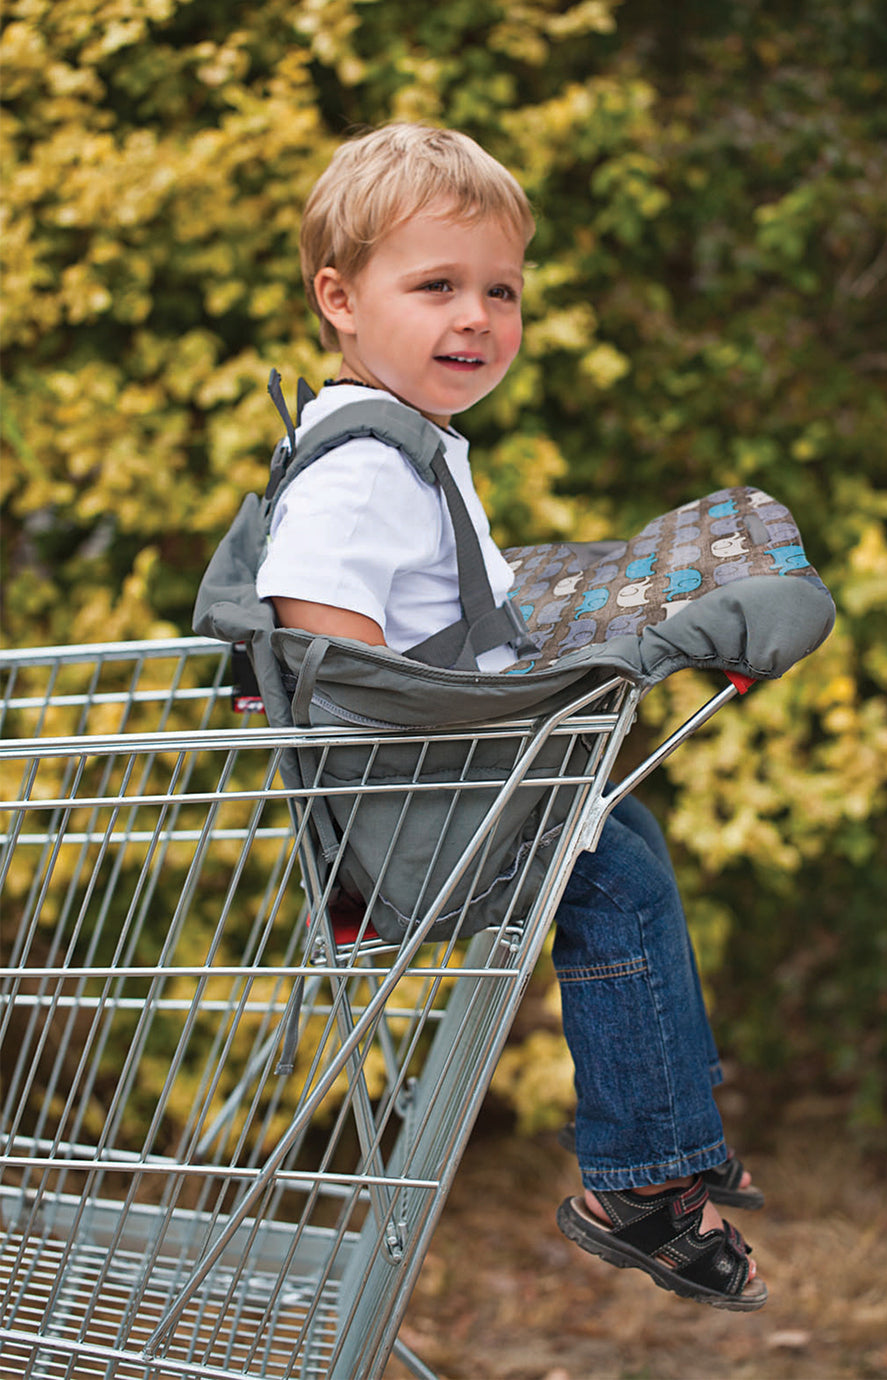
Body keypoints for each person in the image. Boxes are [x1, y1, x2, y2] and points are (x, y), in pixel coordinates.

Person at [255, 122, 767, 1312]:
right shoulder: (363, 462)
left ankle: (669, 1140)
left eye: (500, 290)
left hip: (447, 777)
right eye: (435, 287)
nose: (476, 316)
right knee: (616, 881)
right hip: (411, 802)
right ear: (339, 298)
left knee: (625, 844)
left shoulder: (413, 443)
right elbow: (322, 636)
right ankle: (640, 1179)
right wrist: (460, 723)